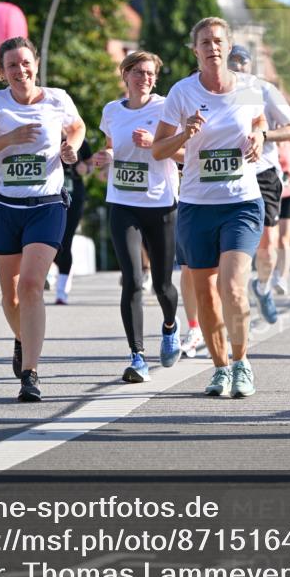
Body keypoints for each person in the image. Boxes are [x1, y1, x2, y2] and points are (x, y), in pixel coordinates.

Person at [0, 36, 85, 402]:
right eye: (12, 65)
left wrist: (72, 146)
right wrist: (9, 138)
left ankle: (30, 373)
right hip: (4, 206)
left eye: (26, 63)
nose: (20, 71)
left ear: (36, 64)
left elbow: (77, 126)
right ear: (2, 71)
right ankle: (22, 338)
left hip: (47, 204)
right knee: (11, 293)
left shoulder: (57, 98)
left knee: (31, 285)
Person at [153, 17, 266, 399]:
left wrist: (259, 137)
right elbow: (159, 149)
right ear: (195, 50)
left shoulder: (249, 88)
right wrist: (185, 133)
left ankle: (241, 362)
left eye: (218, 40)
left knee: (233, 286)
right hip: (197, 204)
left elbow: (260, 122)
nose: (212, 47)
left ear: (228, 46)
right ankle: (219, 369)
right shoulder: (181, 93)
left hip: (241, 203)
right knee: (206, 295)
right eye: (204, 42)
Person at [94, 51, 181, 383]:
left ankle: (170, 328)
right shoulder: (112, 111)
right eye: (138, 72)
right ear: (125, 75)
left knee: (162, 284)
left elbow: (186, 153)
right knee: (132, 280)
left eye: (150, 74)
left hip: (160, 203)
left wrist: (156, 144)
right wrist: (107, 155)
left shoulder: (166, 108)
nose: (144, 78)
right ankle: (137, 357)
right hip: (123, 202)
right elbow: (114, 146)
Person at [227, 44, 290, 323]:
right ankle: (237, 297)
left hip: (264, 173)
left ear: (251, 66)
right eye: (232, 64)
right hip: (230, 173)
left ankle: (263, 286)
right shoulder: (215, 90)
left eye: (242, 63)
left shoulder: (264, 90)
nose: (238, 68)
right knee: (233, 243)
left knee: (268, 244)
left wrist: (263, 134)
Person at [52, 138, 93, 305]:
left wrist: (86, 168)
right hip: (49, 197)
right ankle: (51, 273)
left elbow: (90, 167)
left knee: (65, 241)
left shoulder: (80, 141)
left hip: (73, 197)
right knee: (48, 241)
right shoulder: (46, 133)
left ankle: (61, 291)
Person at [272, 135, 290, 295]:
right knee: (272, 237)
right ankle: (271, 271)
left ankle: (282, 277)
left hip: (289, 193)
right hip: (270, 194)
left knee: (285, 238)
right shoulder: (266, 140)